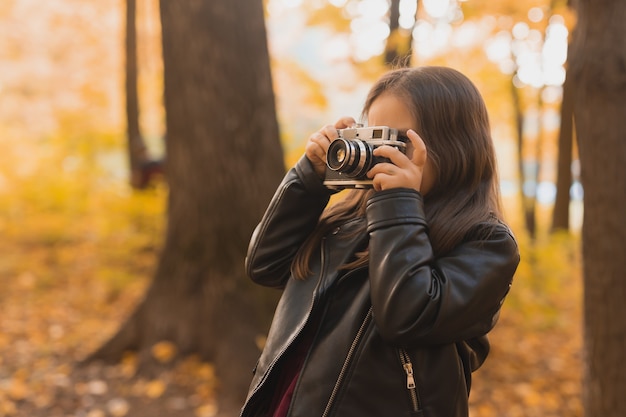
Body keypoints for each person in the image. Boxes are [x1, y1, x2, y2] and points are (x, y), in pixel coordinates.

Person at [240, 66, 520, 417]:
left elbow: (408, 315)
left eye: (398, 141)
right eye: (374, 136)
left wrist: (398, 204)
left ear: (452, 145)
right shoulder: (351, 219)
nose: (379, 154)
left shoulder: (485, 243)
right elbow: (265, 265)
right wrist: (308, 177)